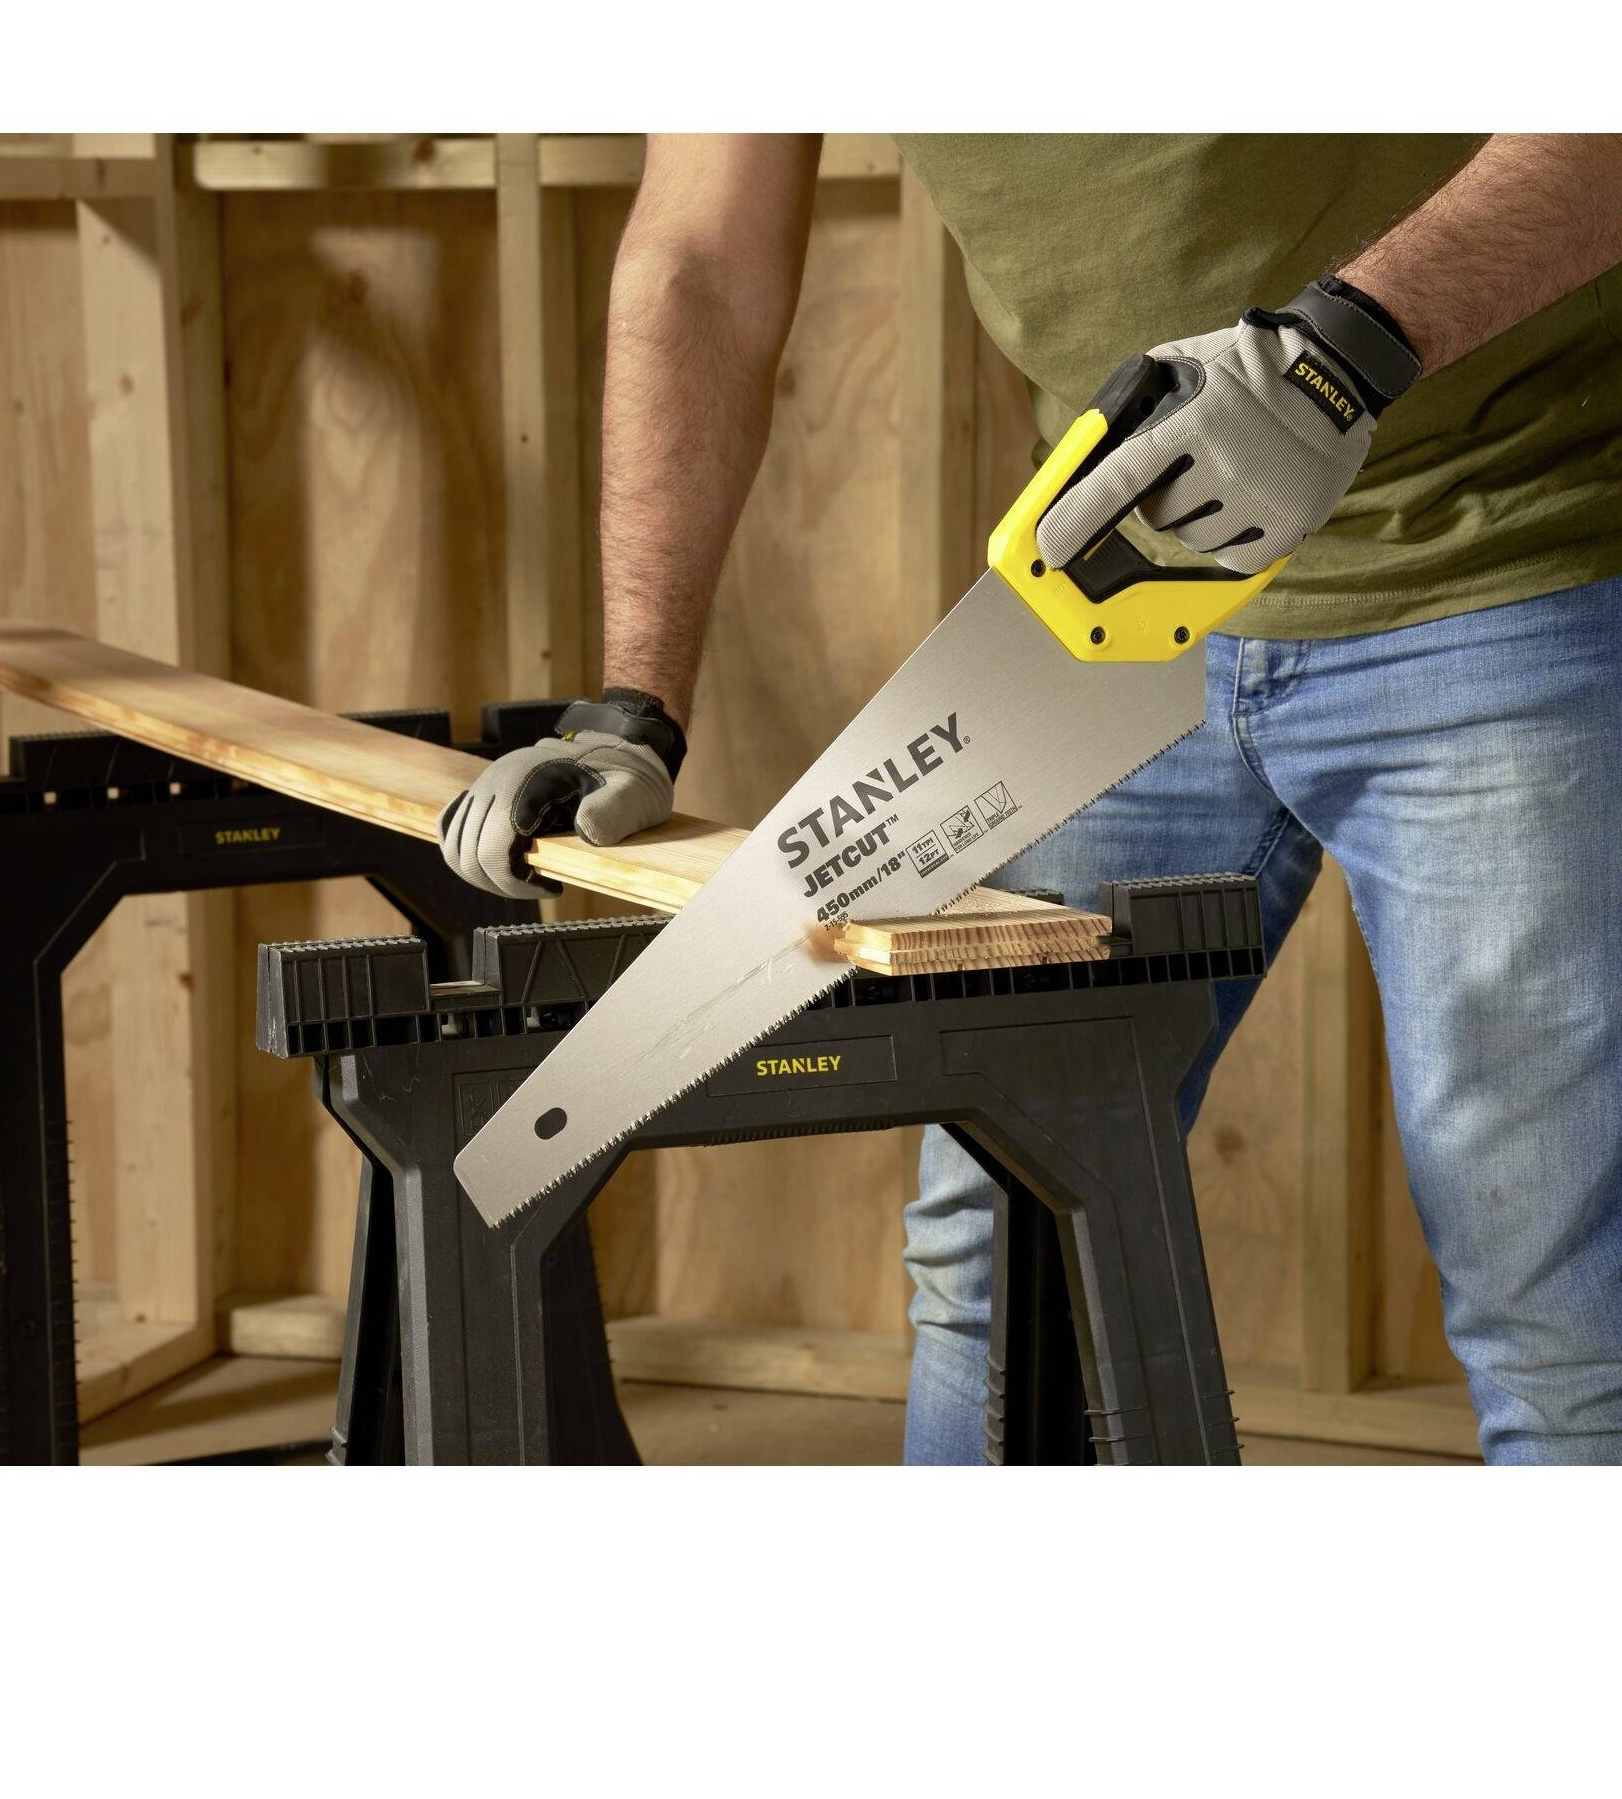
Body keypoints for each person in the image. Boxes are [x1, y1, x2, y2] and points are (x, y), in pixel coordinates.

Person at [438, 135, 1622, 1465]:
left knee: (1568, 1327)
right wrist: (632, 706)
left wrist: (1348, 348)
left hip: (1518, 552)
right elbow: (699, 260)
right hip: (1120, 600)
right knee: (1005, 1260)